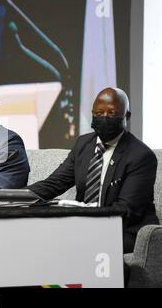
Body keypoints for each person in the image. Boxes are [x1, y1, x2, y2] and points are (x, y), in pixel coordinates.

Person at [27, 87, 158, 253]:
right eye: (98, 113)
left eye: (111, 113)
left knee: (74, 244)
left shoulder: (140, 155)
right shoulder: (83, 144)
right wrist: (13, 197)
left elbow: (126, 209)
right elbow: (54, 184)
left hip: (123, 231)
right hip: (83, 227)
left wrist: (83, 212)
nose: (104, 118)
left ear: (127, 116)